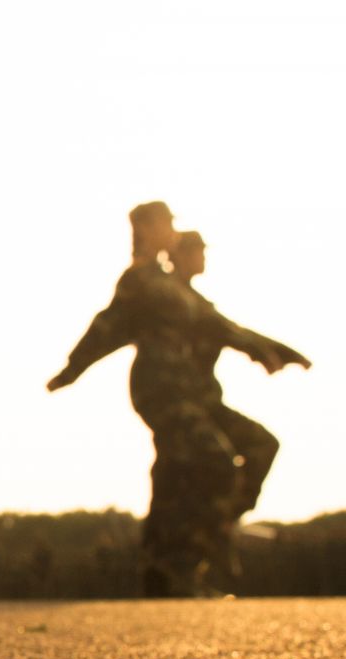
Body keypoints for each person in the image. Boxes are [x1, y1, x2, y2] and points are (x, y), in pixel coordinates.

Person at [46, 201, 308, 596]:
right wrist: (72, 369)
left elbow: (224, 327)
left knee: (178, 475)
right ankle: (192, 554)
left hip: (190, 393)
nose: (173, 230)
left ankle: (181, 558)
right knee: (213, 461)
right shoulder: (139, 280)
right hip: (160, 389)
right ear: (148, 227)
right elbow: (106, 326)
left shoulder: (169, 283)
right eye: (168, 223)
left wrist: (273, 351)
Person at [170, 230, 301, 578]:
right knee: (211, 469)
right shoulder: (172, 300)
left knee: (262, 445)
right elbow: (234, 334)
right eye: (198, 252)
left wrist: (283, 353)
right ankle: (204, 542)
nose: (204, 258)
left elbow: (233, 330)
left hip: (207, 403)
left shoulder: (196, 302)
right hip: (181, 405)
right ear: (181, 256)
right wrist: (268, 353)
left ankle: (224, 522)